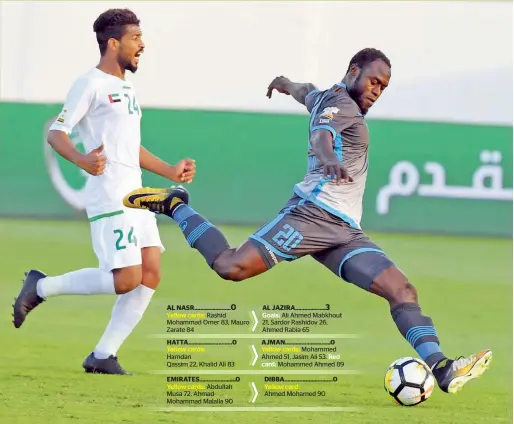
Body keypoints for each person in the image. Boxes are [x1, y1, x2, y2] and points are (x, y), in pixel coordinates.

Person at [122, 48, 491, 393]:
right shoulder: (341, 103)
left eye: (384, 87)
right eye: (373, 81)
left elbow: (307, 92)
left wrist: (285, 83)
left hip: (344, 231)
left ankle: (441, 368)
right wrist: (328, 157)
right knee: (230, 266)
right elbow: (321, 136)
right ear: (353, 72)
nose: (377, 91)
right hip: (311, 216)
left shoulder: (325, 97)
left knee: (402, 292)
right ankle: (176, 205)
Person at [12, 8, 196, 375]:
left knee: (151, 273)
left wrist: (170, 170)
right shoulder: (89, 84)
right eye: (135, 38)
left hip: (137, 193)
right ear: (114, 43)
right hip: (110, 193)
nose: (142, 45)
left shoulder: (127, 88)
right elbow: (56, 133)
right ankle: (41, 286)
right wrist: (82, 161)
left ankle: (102, 355)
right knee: (125, 278)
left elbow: (132, 147)